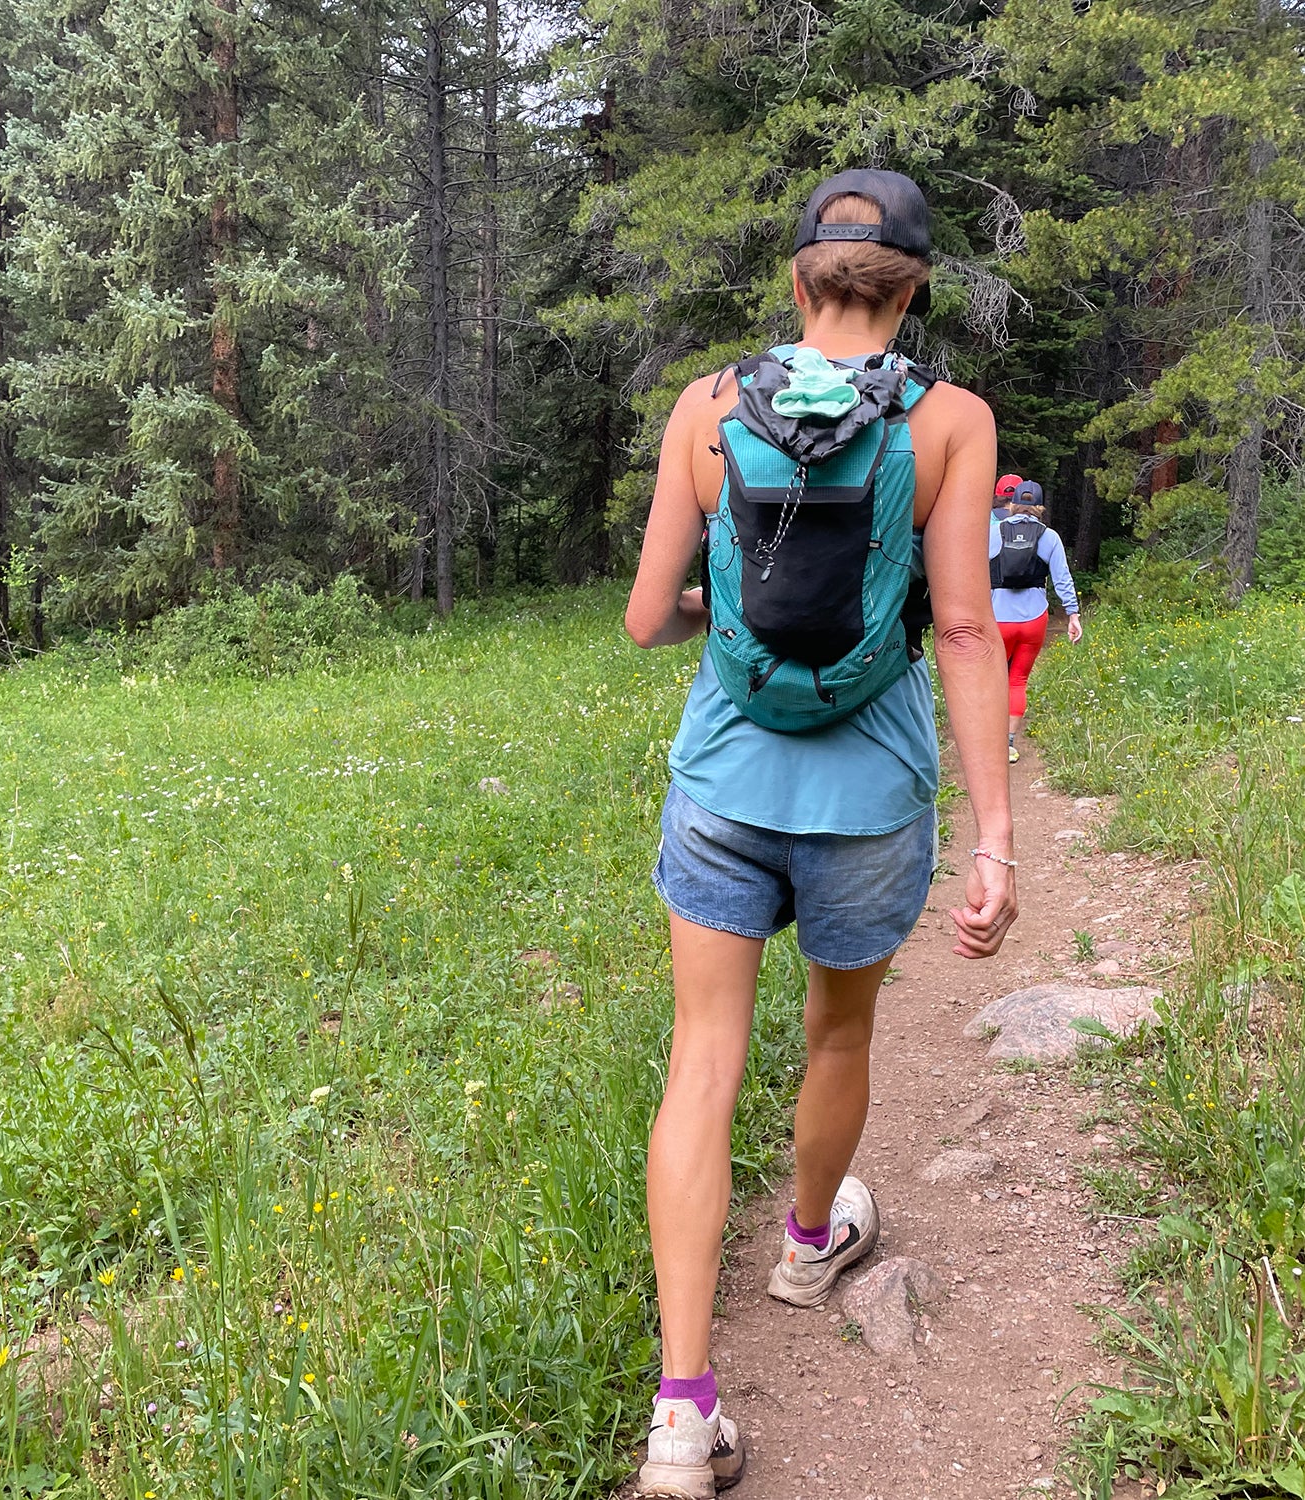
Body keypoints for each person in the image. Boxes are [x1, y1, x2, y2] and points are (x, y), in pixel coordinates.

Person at [624, 168, 1018, 1500]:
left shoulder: (707, 405)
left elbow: (642, 619)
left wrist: (706, 609)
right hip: (869, 794)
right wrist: (996, 842)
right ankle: (806, 1241)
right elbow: (963, 629)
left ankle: (683, 1415)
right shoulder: (951, 420)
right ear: (911, 296)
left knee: (701, 1061)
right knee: (838, 1030)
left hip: (724, 780)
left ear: (798, 282)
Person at [990, 480, 1083, 763]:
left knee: (993, 680)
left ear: (1012, 504)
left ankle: (987, 741)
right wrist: (1073, 614)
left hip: (999, 619)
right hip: (1034, 620)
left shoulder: (993, 532)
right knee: (1017, 679)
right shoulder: (1049, 537)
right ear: (1039, 507)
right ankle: (1007, 745)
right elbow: (1062, 579)